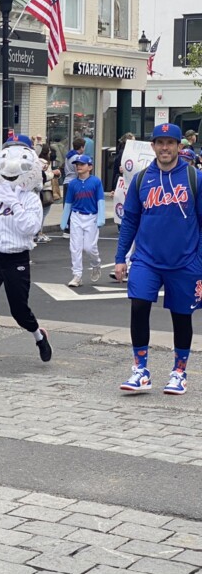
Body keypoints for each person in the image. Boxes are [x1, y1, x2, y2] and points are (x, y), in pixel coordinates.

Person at [114, 123, 202, 396]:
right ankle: (141, 370)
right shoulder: (141, 179)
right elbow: (129, 220)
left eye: (170, 143)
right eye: (160, 142)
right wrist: (120, 258)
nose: (165, 148)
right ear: (152, 146)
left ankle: (179, 372)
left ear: (179, 146)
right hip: (146, 260)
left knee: (181, 316)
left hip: (185, 260)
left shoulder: (194, 178)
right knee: (138, 307)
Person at [0, 139, 52, 369]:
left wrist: (15, 203)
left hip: (17, 257)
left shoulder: (31, 198)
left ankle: (38, 336)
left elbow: (30, 228)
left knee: (19, 310)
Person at [61, 154, 105, 288]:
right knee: (75, 247)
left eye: (82, 164)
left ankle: (96, 264)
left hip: (91, 217)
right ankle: (77, 275)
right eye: (77, 164)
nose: (78, 166)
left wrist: (101, 217)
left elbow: (100, 200)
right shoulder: (73, 183)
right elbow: (68, 202)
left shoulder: (96, 182)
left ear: (90, 167)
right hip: (76, 216)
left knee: (89, 247)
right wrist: (64, 220)